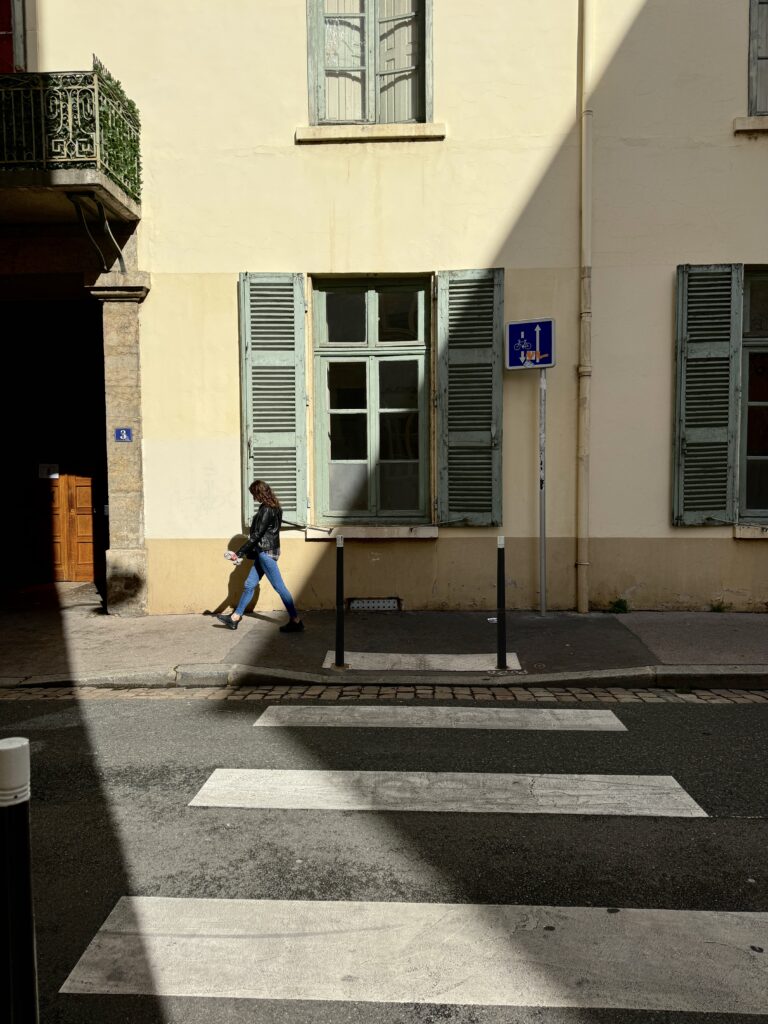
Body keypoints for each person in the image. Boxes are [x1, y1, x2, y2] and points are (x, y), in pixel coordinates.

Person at [217, 480, 304, 633]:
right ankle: (235, 617)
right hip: (266, 551)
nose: (253, 498)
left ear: (259, 493)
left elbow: (257, 535)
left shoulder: (266, 510)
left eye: (254, 494)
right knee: (249, 584)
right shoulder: (275, 507)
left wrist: (239, 553)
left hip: (266, 552)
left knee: (280, 587)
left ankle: (295, 620)